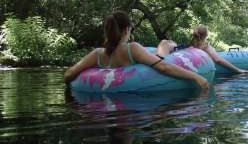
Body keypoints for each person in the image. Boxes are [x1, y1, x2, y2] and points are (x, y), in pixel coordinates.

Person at [64, 11, 208, 89]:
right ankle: (169, 46)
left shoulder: (97, 54)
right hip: (155, 63)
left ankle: (167, 46)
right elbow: (163, 66)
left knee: (164, 45)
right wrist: (196, 77)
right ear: (127, 29)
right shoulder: (132, 49)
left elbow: (69, 74)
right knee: (165, 45)